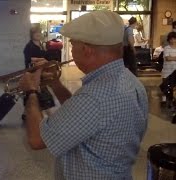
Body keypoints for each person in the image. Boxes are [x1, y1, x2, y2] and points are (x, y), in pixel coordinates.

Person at [19, 11, 148, 180]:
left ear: (86, 50)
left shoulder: (95, 95)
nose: (71, 51)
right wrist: (55, 83)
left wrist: (31, 92)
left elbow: (36, 139)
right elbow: (80, 115)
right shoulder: (130, 81)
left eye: (72, 45)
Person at [22, 27, 55, 121]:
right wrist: (42, 60)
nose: (38, 35)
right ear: (32, 35)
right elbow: (29, 58)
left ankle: (25, 114)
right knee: (38, 91)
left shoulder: (41, 45)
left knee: (32, 93)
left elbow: (46, 56)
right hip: (33, 73)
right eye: (36, 33)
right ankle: (50, 114)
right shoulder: (29, 46)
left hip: (41, 72)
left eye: (39, 33)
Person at [161, 32, 176, 105]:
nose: (172, 41)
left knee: (174, 87)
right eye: (171, 39)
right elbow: (168, 58)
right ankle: (163, 100)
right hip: (167, 71)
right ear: (168, 40)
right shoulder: (166, 48)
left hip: (175, 71)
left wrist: (172, 58)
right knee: (165, 85)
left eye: (174, 39)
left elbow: (170, 58)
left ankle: (173, 100)